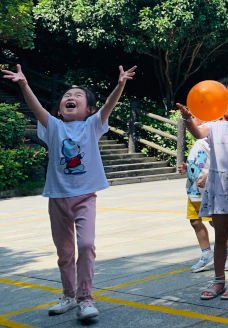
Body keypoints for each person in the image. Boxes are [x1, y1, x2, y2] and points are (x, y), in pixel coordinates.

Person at [2, 64, 136, 321]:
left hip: (85, 197)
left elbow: (108, 106)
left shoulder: (92, 126)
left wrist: (120, 85)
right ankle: (69, 295)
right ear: (60, 107)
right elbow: (36, 109)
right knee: (64, 252)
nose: (70, 97)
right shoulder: (53, 127)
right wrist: (23, 84)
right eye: (66, 96)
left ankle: (86, 298)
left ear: (90, 109)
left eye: (78, 96)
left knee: (86, 245)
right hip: (57, 199)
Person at [178, 78, 228, 301]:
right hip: (218, 183)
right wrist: (187, 119)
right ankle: (219, 280)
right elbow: (198, 133)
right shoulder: (212, 125)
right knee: (220, 235)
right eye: (226, 93)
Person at [178, 137, 228, 273]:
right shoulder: (199, 141)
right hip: (194, 190)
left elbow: (224, 164)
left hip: (210, 191)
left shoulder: (216, 140)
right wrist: (187, 168)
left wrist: (209, 176)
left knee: (215, 222)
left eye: (195, 117)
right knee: (194, 221)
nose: (193, 120)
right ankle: (206, 254)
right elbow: (199, 163)